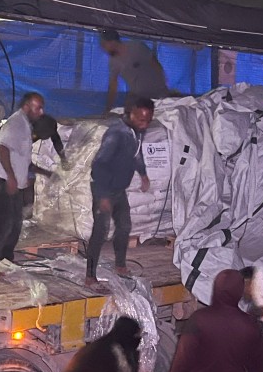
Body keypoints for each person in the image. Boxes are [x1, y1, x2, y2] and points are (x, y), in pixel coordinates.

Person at [85, 98, 153, 289]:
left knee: (124, 226)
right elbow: (99, 165)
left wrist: (143, 174)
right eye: (140, 119)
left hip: (118, 189)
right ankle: (90, 276)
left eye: (148, 120)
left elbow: (136, 154)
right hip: (103, 189)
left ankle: (120, 265)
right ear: (129, 113)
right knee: (100, 231)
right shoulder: (116, 134)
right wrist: (104, 195)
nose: (144, 124)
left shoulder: (136, 132)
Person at [0, 92, 46, 279]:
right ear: (26, 106)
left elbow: (22, 160)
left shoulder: (25, 126)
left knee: (15, 224)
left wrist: (43, 172)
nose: (41, 112)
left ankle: (5, 259)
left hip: (11, 182)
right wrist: (10, 177)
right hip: (0, 180)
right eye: (37, 107)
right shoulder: (15, 124)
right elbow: (2, 149)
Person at [99, 29, 170, 113]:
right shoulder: (113, 62)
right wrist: (108, 108)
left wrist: (164, 85)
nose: (103, 48)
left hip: (157, 93)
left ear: (112, 42)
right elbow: (113, 85)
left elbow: (156, 64)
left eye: (104, 44)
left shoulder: (137, 47)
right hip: (139, 97)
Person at [24, 114, 69, 220]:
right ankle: (20, 213)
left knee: (30, 178)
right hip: (7, 157)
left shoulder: (47, 126)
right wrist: (47, 173)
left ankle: (28, 213)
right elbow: (25, 163)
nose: (47, 138)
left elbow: (56, 140)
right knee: (24, 180)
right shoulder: (23, 134)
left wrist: (63, 159)